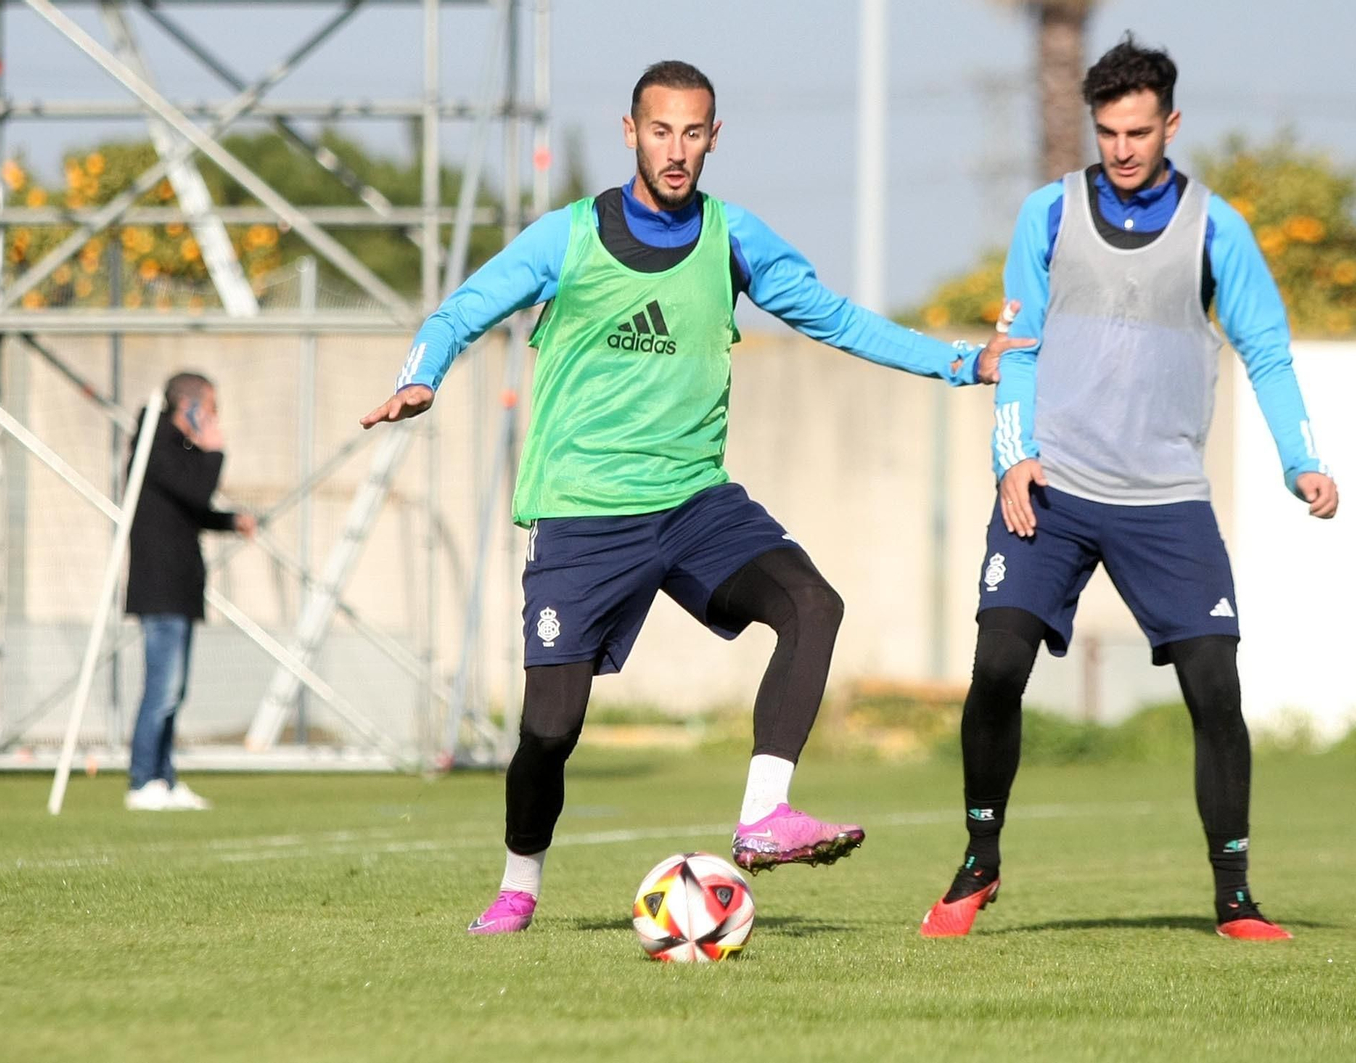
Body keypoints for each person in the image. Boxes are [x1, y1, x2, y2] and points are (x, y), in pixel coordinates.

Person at [361, 60, 1031, 935]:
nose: (676, 151)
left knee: (811, 603)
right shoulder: (566, 237)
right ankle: (520, 879)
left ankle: (763, 814)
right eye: (661, 130)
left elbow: (832, 315)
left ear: (714, 138)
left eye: (693, 133)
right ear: (631, 131)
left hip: (693, 502)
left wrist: (961, 361)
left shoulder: (732, 236)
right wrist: (423, 377)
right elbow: (459, 312)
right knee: (550, 730)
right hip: (583, 509)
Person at [920, 35, 1338, 941]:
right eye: (1108, 131)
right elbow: (1020, 347)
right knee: (997, 667)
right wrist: (1012, 456)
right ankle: (977, 861)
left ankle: (1234, 897)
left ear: (1171, 124)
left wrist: (1299, 457)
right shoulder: (1048, 213)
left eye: (1138, 131)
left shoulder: (1217, 228)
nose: (1122, 148)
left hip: (1166, 499)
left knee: (1213, 688)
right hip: (1054, 487)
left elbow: (1265, 349)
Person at [124, 372, 256, 811]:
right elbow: (198, 489)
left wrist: (230, 521)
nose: (215, 418)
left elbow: (190, 510)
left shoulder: (173, 450)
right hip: (158, 587)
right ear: (191, 408)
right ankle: (143, 781)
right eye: (211, 408)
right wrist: (215, 448)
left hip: (180, 587)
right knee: (161, 689)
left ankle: (164, 777)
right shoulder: (155, 446)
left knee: (174, 692)